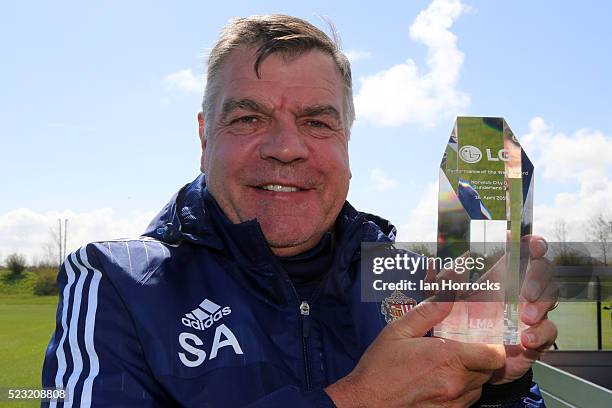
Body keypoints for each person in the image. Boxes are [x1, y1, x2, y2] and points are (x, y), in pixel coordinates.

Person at [42, 14, 558, 407]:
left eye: (316, 122)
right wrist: (355, 399)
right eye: (248, 118)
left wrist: (499, 387)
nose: (286, 148)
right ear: (204, 137)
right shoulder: (116, 283)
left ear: (347, 140)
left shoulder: (413, 282)